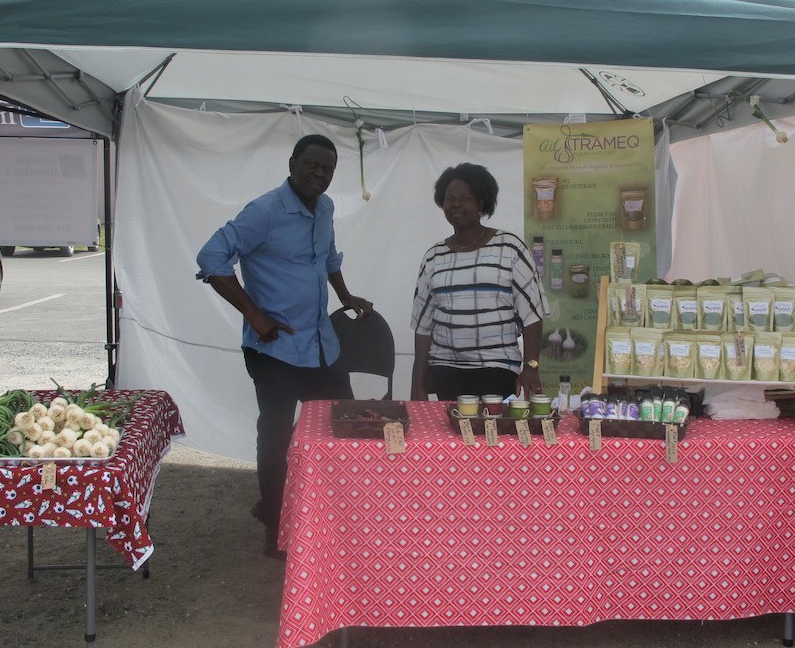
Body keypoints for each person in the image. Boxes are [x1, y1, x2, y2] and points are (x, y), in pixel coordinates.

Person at [196, 134, 372, 560]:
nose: (320, 174)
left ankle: (332, 521)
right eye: (312, 164)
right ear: (292, 163)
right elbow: (211, 257)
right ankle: (277, 527)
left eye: (328, 169)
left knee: (340, 429)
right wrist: (254, 315)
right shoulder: (264, 211)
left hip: (320, 347)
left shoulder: (325, 208)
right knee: (276, 437)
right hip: (273, 348)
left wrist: (345, 296)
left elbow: (328, 258)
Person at [411, 163, 548, 402]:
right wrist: (419, 385)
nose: (455, 204)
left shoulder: (510, 248)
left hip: (497, 370)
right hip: (445, 370)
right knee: (452, 436)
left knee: (490, 437)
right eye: (449, 198)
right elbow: (423, 328)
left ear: (481, 204)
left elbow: (532, 315)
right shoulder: (433, 256)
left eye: (464, 198)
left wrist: (531, 367)